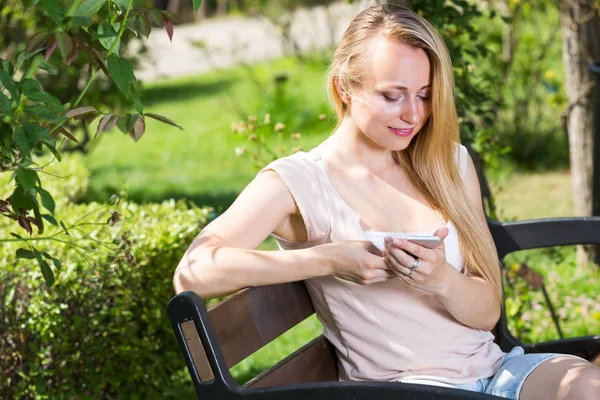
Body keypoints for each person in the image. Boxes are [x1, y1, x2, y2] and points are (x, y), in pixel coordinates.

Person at [173, 4, 600, 399]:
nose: (413, 115)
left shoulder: (447, 162)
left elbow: (487, 312)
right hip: (409, 388)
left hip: (499, 374)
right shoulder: (299, 182)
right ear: (344, 88)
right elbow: (195, 274)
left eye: (425, 94)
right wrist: (326, 259)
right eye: (392, 96)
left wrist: (442, 281)